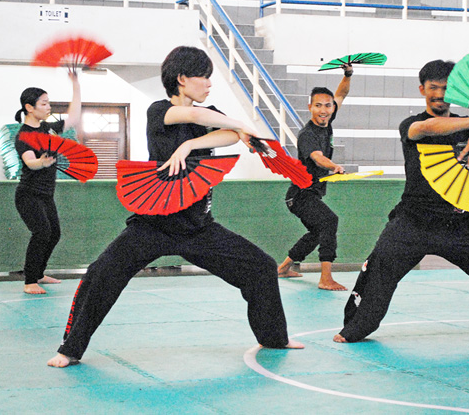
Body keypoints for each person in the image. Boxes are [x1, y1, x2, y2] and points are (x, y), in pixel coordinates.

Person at [48, 46, 303, 368]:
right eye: (204, 77)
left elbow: (230, 137)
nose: (210, 84)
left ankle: (273, 337)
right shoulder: (158, 110)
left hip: (198, 227)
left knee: (261, 267)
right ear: (182, 79)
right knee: (101, 274)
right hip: (153, 225)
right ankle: (69, 349)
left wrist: (191, 143)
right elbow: (199, 116)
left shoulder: (208, 116)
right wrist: (238, 122)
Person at [334, 59, 469, 343]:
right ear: (422, 89)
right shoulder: (412, 124)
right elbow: (429, 128)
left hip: (461, 218)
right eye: (433, 87)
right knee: (380, 265)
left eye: (446, 88)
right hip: (415, 219)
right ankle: (355, 328)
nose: (439, 94)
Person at [277, 63, 353, 291]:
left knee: (317, 231)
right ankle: (325, 278)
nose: (323, 110)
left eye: (327, 106)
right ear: (310, 107)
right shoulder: (307, 134)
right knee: (330, 221)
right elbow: (318, 158)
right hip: (300, 195)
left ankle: (283, 268)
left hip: (310, 194)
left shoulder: (327, 121)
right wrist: (335, 166)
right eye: (318, 105)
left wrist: (348, 74)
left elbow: (342, 93)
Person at [14, 71, 81, 295]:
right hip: (28, 195)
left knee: (54, 234)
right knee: (41, 232)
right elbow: (30, 162)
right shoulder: (24, 135)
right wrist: (41, 163)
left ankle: (39, 273)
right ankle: (30, 281)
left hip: (45, 194)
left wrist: (76, 85)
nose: (48, 107)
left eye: (49, 102)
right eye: (44, 103)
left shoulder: (49, 128)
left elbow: (74, 116)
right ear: (29, 107)